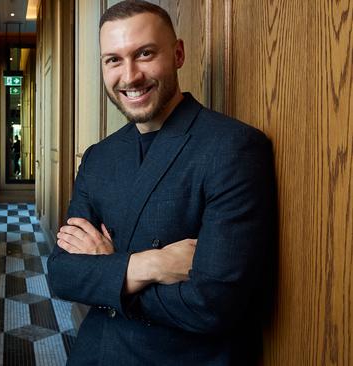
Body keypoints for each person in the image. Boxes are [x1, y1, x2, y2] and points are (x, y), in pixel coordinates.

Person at [47, 1, 276, 365]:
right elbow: (62, 273)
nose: (130, 75)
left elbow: (212, 304)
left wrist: (108, 269)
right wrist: (149, 265)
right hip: (98, 352)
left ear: (178, 53)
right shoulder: (99, 157)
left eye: (145, 53)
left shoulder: (232, 147)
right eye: (113, 60)